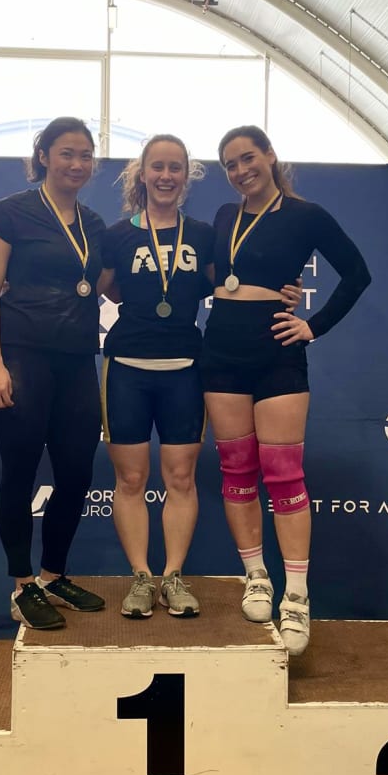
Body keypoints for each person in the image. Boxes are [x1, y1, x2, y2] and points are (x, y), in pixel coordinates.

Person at [99, 134, 304, 621]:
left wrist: (286, 294)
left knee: (181, 477)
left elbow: (234, 283)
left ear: (185, 176)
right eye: (157, 167)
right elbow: (104, 286)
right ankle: (141, 579)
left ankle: (172, 575)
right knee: (130, 478)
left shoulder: (204, 234)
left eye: (175, 168)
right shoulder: (117, 234)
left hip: (188, 369)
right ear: (142, 174)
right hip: (126, 366)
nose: (165, 176)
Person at [201, 124, 371, 655]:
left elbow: (357, 274)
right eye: (230, 164)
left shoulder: (307, 215)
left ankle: (296, 593)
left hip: (276, 350)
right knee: (236, 469)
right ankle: (256, 575)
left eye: (248, 158)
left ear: (270, 156)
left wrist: (313, 325)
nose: (240, 170)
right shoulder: (225, 217)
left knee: (282, 472)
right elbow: (211, 275)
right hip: (222, 350)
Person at [0, 116, 107, 631]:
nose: (77, 163)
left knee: (76, 475)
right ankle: (22, 585)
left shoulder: (93, 225)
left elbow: (112, 284)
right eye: (67, 153)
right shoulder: (10, 213)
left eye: (86, 154)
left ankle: (54, 576)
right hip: (22, 357)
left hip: (77, 361)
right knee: (21, 471)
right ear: (45, 156)